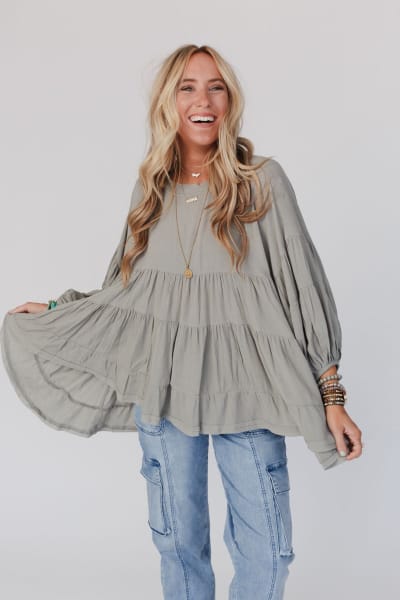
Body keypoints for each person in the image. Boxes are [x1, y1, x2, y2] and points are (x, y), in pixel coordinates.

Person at [1, 44, 363, 599]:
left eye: (216, 87)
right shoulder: (150, 191)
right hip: (164, 389)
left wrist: (331, 394)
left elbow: (303, 289)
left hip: (250, 392)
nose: (203, 101)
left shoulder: (262, 182)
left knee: (268, 552)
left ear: (230, 101)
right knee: (178, 547)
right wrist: (57, 311)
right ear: (168, 103)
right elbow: (126, 296)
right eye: (187, 88)